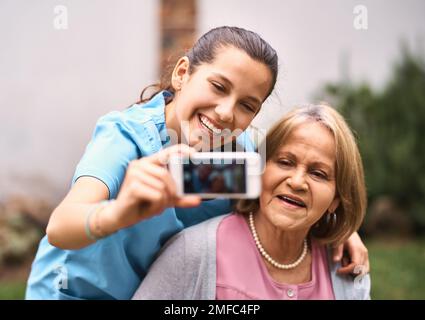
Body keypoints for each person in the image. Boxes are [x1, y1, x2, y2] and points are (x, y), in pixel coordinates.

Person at [26, 26, 368, 300]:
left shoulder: (239, 153)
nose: (224, 112)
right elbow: (60, 227)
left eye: (247, 105)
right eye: (218, 87)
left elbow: (286, 189)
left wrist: (339, 228)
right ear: (183, 73)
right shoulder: (125, 139)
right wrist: (119, 213)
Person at [133, 104, 371, 300]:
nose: (297, 182)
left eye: (318, 174)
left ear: (336, 200)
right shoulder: (193, 252)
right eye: (285, 162)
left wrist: (346, 230)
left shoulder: (348, 269)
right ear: (258, 169)